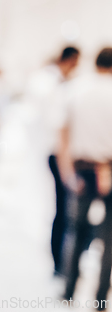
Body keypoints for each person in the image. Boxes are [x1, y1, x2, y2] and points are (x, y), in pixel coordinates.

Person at [59, 48, 112, 310]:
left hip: (82, 168)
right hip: (109, 168)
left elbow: (64, 133)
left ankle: (69, 290)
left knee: (77, 230)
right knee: (109, 237)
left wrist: (67, 171)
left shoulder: (78, 91)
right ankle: (100, 299)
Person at [27, 46, 80, 275]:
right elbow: (55, 123)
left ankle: (63, 260)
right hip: (57, 152)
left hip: (56, 150)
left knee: (65, 208)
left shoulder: (60, 84)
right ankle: (60, 261)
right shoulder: (51, 85)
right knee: (64, 208)